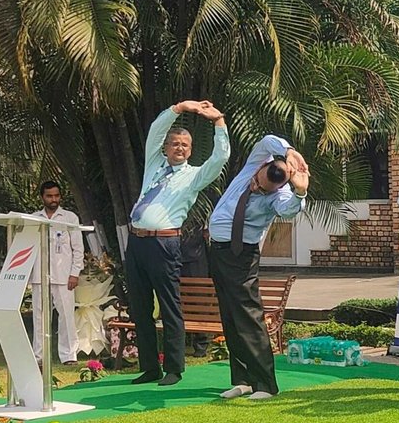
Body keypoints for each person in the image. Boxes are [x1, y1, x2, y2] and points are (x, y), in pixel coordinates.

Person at [125, 100, 230, 385]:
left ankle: (173, 368)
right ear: (166, 148)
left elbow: (220, 158)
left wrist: (218, 121)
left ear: (190, 150)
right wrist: (180, 107)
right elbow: (156, 130)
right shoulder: (154, 164)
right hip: (136, 243)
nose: (179, 148)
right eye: (175, 144)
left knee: (170, 307)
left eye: (185, 145)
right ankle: (149, 367)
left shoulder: (194, 176)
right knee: (140, 307)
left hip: (165, 245)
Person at [207, 135, 309, 400]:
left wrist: (299, 191)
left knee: (248, 315)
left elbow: (289, 212)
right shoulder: (255, 164)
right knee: (229, 315)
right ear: (261, 168)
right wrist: (290, 152)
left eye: (264, 189)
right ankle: (242, 380)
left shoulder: (281, 193)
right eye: (258, 181)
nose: (257, 188)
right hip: (217, 251)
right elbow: (266, 140)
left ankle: (265, 384)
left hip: (241, 255)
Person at [30, 180, 85, 365]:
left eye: (56, 195)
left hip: (64, 276)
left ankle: (69, 355)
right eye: (49, 196)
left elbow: (78, 248)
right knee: (39, 317)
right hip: (39, 275)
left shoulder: (70, 217)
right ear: (42, 197)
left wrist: (75, 273)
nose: (53, 199)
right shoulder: (34, 217)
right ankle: (39, 356)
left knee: (66, 316)